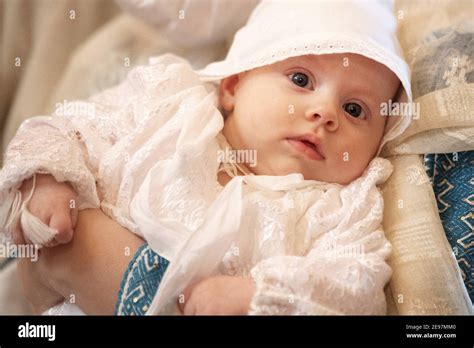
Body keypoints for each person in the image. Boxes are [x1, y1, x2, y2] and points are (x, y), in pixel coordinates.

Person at [1, 0, 412, 315]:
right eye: (301, 80)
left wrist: (253, 294)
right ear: (234, 83)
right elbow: (71, 127)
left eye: (356, 110)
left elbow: (357, 284)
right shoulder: (170, 104)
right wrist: (45, 180)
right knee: (46, 245)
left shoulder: (342, 207)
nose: (325, 113)